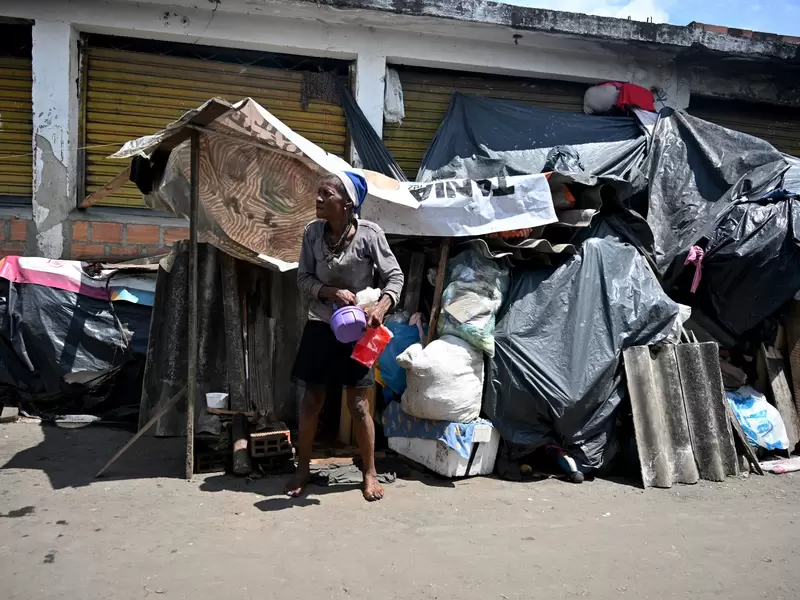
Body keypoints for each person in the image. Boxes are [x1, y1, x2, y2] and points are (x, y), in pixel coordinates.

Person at [286, 170, 404, 501]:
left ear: (348, 203)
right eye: (318, 193)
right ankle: (303, 468)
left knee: (358, 404)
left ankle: (369, 473)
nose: (318, 199)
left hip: (361, 331)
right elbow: (303, 279)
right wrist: (330, 291)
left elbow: (394, 277)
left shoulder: (370, 234)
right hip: (322, 325)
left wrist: (381, 306)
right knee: (312, 400)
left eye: (327, 194)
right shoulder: (312, 233)